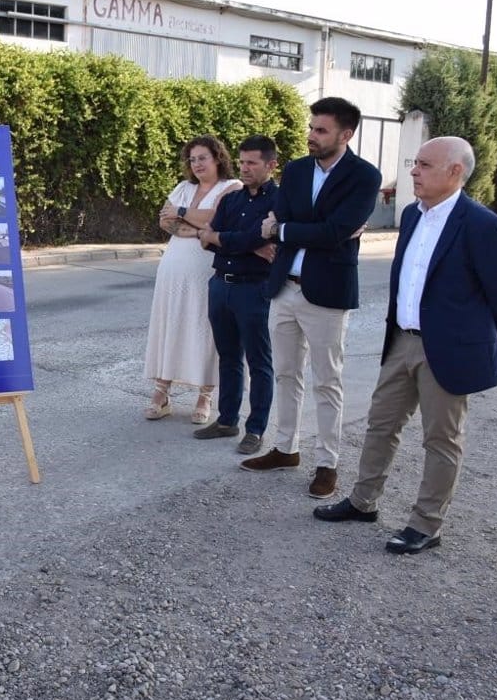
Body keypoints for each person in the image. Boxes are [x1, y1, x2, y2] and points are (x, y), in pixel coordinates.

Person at [313, 137, 497, 554]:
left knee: (441, 440)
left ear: (455, 172)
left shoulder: (483, 225)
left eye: (424, 165)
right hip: (401, 342)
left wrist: (475, 344)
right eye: (415, 163)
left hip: (447, 351)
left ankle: (426, 525)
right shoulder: (411, 215)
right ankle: (363, 502)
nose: (414, 171)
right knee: (380, 425)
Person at [240, 97, 381, 500]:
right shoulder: (298, 171)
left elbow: (333, 230)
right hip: (284, 287)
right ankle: (285, 448)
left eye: (321, 130)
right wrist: (302, 229)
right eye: (311, 127)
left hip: (327, 294)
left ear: (345, 134)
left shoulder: (364, 176)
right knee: (286, 373)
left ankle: (328, 463)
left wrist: (285, 231)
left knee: (327, 382)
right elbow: (294, 222)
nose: (311, 136)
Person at [143, 135, 242, 423]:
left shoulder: (231, 188)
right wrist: (199, 229)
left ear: (218, 158)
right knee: (170, 325)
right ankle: (161, 393)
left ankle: (205, 395)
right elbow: (165, 220)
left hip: (207, 270)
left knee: (207, 328)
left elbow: (218, 220)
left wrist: (184, 214)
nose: (197, 164)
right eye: (193, 159)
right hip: (173, 271)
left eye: (203, 157)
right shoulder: (184, 187)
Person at [194, 135, 279, 454]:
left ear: (270, 165)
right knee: (228, 357)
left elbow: (264, 239)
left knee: (259, 361)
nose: (244, 168)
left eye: (252, 163)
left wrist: (225, 237)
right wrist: (244, 241)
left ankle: (255, 428)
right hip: (220, 285)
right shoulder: (231, 200)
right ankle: (227, 420)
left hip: (253, 288)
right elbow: (206, 238)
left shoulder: (279, 202)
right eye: (242, 162)